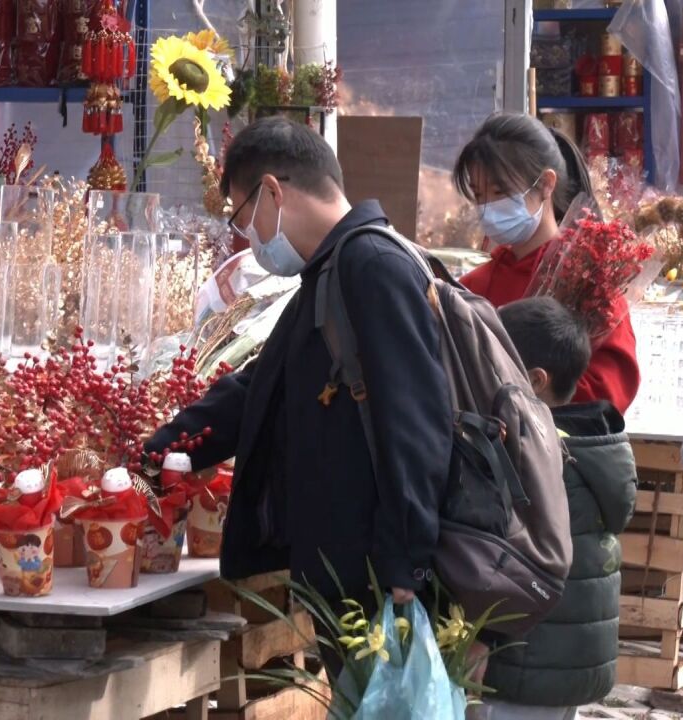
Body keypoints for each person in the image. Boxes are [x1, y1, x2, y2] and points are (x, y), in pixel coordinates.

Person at [144, 117, 452, 660]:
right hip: (348, 574)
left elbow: (415, 420)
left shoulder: (371, 266)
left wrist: (408, 562)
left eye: (242, 215)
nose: (248, 237)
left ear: (272, 191)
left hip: (384, 582)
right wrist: (157, 453)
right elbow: (258, 389)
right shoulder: (329, 274)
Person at [479, 297, 636, 720]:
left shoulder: (539, 457)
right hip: (570, 661)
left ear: (534, 380)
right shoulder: (593, 444)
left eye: (495, 362)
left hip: (527, 663)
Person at [452, 114, 640, 413]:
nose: (488, 207)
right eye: (479, 195)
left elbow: (609, 391)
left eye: (500, 192)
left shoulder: (590, 281)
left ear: (546, 184)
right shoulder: (471, 288)